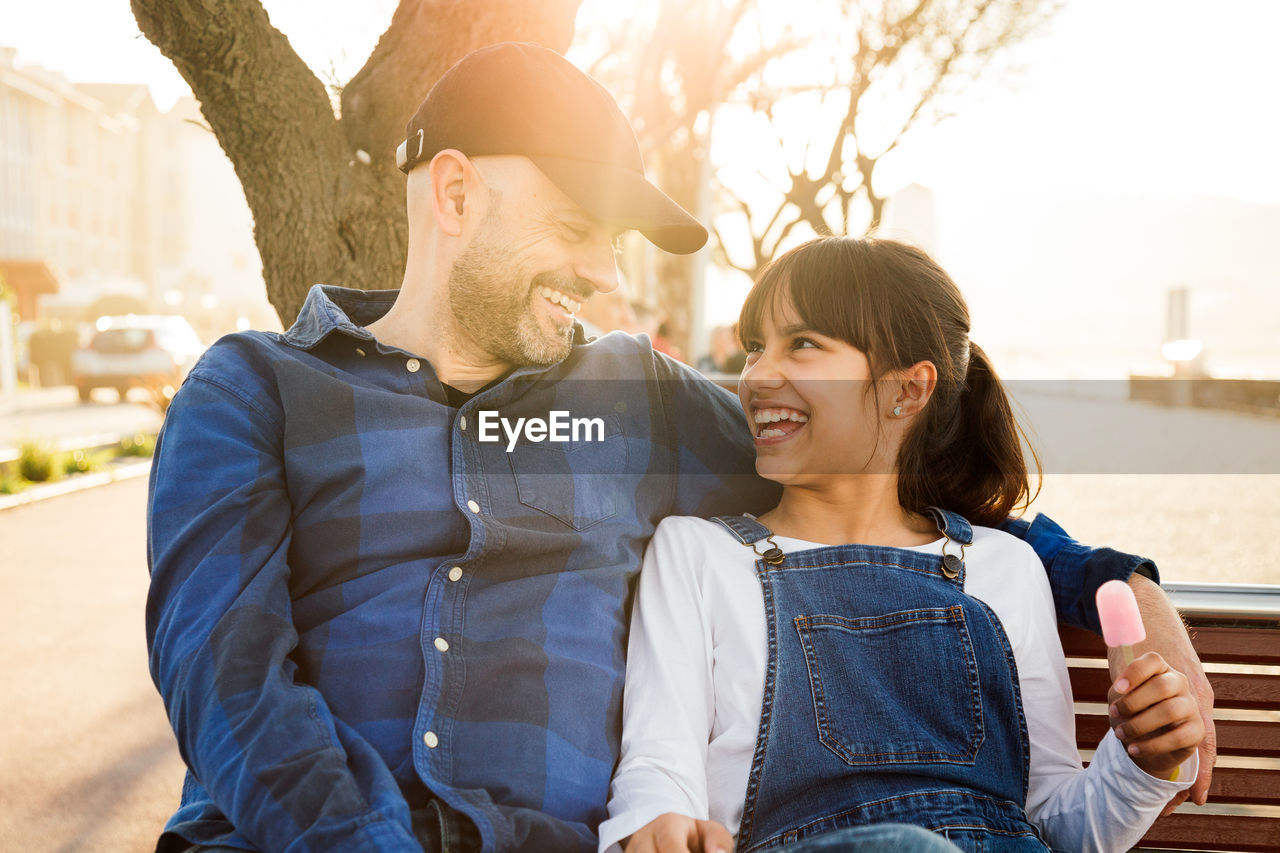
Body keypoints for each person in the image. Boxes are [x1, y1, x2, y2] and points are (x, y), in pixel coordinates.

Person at [146, 44, 1212, 853]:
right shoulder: (254, 390)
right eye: (574, 230)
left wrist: (1117, 582)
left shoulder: (636, 398)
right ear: (456, 193)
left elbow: (876, 484)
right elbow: (226, 676)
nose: (601, 278)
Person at [599, 237, 1204, 853]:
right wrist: (656, 826)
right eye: (756, 346)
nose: (757, 374)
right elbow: (659, 768)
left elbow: (1054, 822)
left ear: (907, 392)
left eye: (802, 344)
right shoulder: (696, 555)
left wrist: (1141, 764)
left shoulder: (1005, 566)